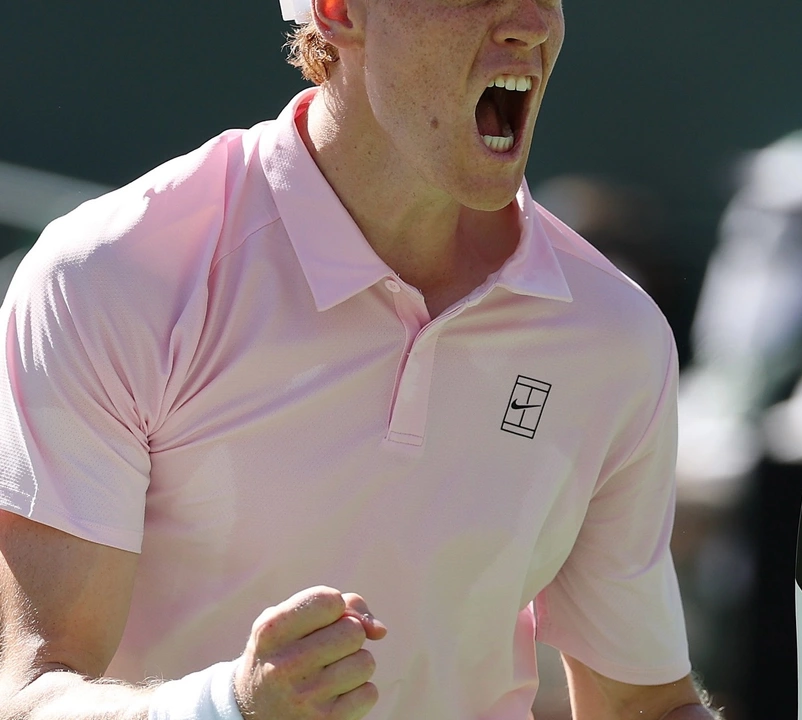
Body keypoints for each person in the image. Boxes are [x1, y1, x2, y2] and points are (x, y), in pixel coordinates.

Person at [0, 1, 720, 718]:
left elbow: (645, 708)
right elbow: (30, 695)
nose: (530, 22)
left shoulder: (615, 336)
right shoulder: (110, 275)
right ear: (336, 10)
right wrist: (228, 708)